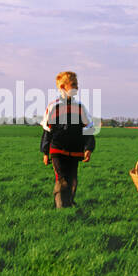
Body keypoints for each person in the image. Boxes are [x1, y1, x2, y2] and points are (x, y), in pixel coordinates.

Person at [40, 71, 97, 208]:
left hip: (75, 150)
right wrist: (45, 152)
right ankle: (61, 207)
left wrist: (89, 148)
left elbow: (88, 130)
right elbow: (47, 131)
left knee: (73, 180)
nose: (76, 87)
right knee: (62, 179)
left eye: (77, 84)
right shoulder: (53, 107)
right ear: (62, 87)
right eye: (73, 85)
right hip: (57, 149)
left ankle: (69, 203)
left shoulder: (80, 108)